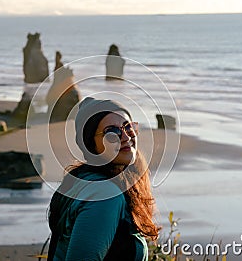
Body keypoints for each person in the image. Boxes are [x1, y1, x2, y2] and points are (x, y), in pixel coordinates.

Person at [48, 97, 160, 260]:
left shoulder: (84, 180)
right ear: (91, 146)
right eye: (112, 132)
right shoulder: (105, 194)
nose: (126, 137)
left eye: (128, 127)